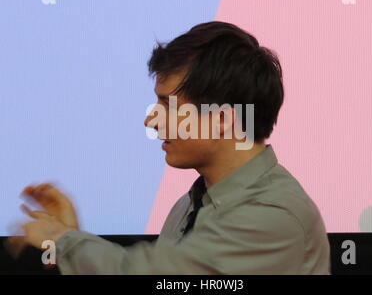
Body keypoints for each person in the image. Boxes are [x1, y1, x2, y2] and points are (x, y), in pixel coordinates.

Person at [6, 21, 330, 274]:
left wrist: (63, 240)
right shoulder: (190, 206)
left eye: (168, 104)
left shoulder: (274, 217)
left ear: (222, 119)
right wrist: (66, 237)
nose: (152, 121)